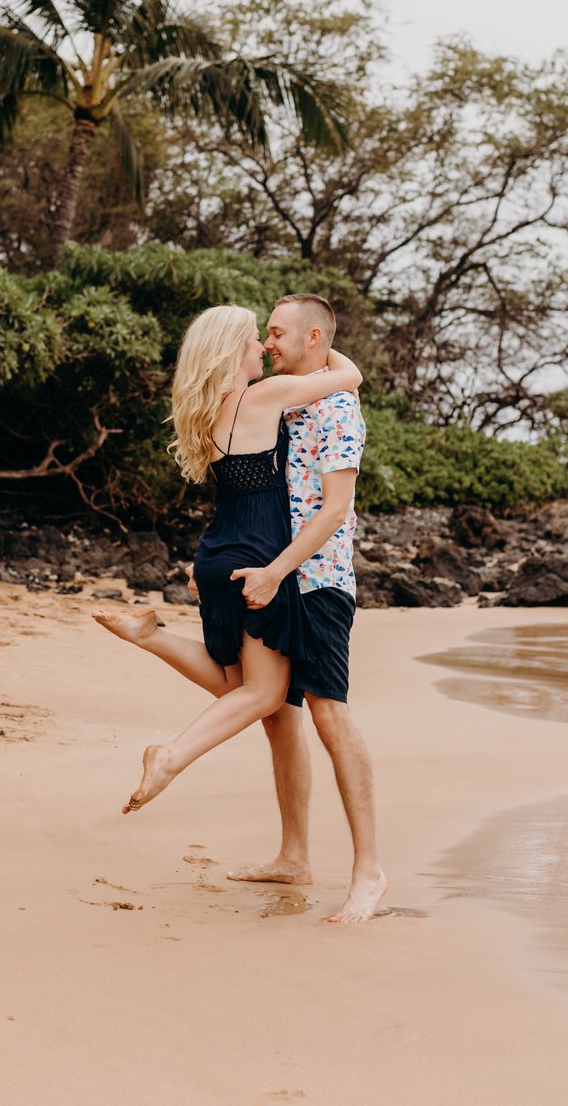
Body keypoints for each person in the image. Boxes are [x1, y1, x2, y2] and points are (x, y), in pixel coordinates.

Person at [98, 294, 386, 924]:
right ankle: (295, 855)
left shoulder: (330, 405)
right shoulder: (276, 400)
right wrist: (267, 569)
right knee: (272, 707)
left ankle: (368, 871)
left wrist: (272, 569)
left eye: (278, 334)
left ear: (311, 338)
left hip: (312, 578)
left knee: (318, 715)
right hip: (269, 570)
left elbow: (334, 509)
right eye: (262, 336)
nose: (269, 344)